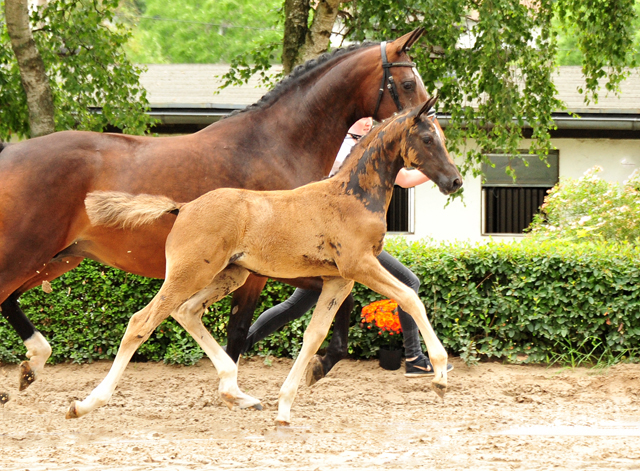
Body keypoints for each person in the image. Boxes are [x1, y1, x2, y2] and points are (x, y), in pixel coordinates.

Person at [239, 118, 453, 377]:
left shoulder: (365, 149)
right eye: (361, 118)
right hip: (336, 236)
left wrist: (439, 167)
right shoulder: (343, 148)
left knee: (298, 305)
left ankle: (239, 346)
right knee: (407, 283)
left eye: (369, 119)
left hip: (343, 238)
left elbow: (404, 178)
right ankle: (415, 357)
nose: (367, 122)